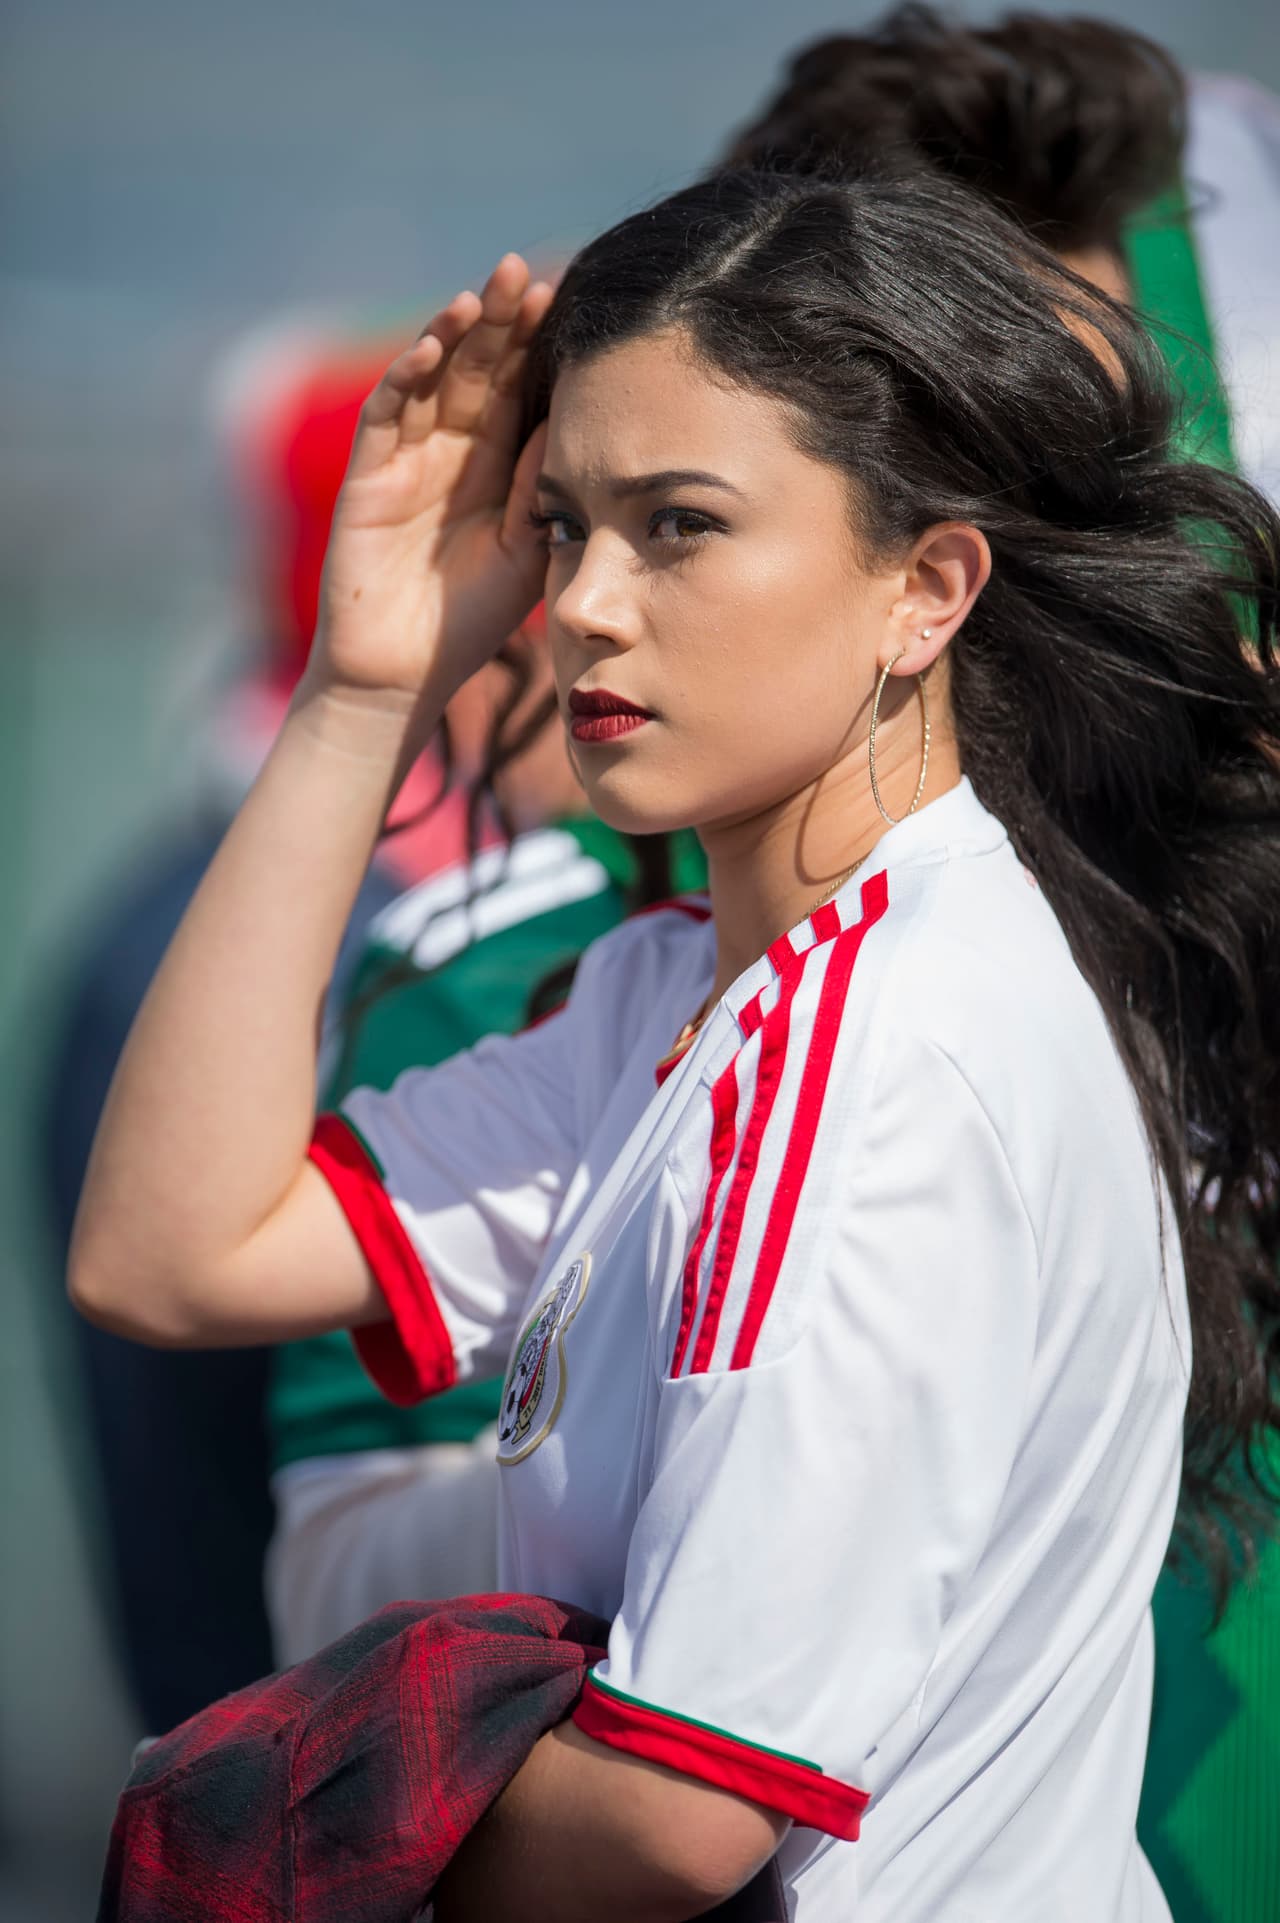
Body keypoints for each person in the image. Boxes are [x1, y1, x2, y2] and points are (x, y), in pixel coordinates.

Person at [70, 157, 1280, 1923]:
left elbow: (675, 1813)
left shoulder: (878, 1052)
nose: (584, 606)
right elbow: (171, 1253)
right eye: (561, 525)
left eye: (682, 525)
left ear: (926, 591)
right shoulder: (688, 997)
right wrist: (365, 688)